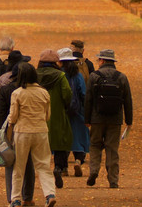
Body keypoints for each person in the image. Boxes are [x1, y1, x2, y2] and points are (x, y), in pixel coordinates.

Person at [7, 62, 57, 207]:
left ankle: (15, 199)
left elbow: (13, 117)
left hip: (22, 132)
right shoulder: (44, 92)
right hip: (41, 132)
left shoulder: (17, 93)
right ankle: (50, 194)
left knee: (19, 167)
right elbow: (47, 116)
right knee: (43, 166)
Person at [83, 48, 133, 189]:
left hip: (97, 118)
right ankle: (113, 180)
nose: (98, 62)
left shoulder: (94, 76)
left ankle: (93, 171)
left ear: (103, 60)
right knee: (112, 149)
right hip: (115, 119)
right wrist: (129, 120)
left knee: (95, 146)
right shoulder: (121, 77)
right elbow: (128, 100)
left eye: (99, 60)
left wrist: (87, 119)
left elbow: (88, 99)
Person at [0, 50, 35, 206]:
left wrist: (1, 131)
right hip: (28, 129)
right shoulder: (32, 90)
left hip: (11, 131)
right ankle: (28, 197)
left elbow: (1, 114)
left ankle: (12, 197)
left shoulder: (5, 86)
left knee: (10, 163)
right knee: (29, 164)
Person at [35, 50, 72, 189]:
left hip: (39, 113)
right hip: (57, 112)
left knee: (41, 142)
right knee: (61, 139)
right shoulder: (61, 76)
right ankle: (59, 167)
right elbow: (67, 93)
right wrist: (65, 105)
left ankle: (42, 170)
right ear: (56, 63)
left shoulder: (35, 75)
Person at [58, 48, 89, 177]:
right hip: (77, 111)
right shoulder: (77, 75)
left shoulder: (59, 75)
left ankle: (64, 167)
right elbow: (83, 93)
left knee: (64, 139)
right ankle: (78, 160)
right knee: (79, 138)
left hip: (63, 111)